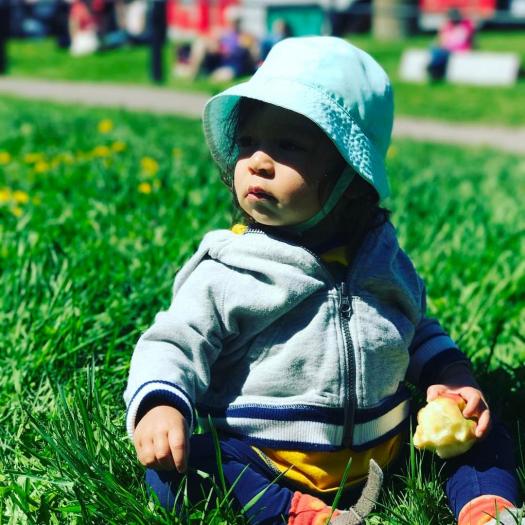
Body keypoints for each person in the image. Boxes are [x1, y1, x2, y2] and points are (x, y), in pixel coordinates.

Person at [124, 37, 523, 525]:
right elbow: (174, 342)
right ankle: (296, 512)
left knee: (483, 430)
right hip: (262, 457)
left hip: (387, 450)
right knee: (180, 471)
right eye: (247, 143)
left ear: (351, 176)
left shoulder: (381, 259)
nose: (258, 162)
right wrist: (160, 404)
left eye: (289, 146)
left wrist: (451, 378)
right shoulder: (230, 270)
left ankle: (488, 508)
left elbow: (415, 328)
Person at [427, 8, 476, 81]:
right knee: (435, 48)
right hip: (447, 49)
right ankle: (434, 68)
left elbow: (466, 40)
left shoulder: (465, 26)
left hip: (459, 49)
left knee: (440, 52)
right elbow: (442, 39)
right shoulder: (447, 26)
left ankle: (433, 68)